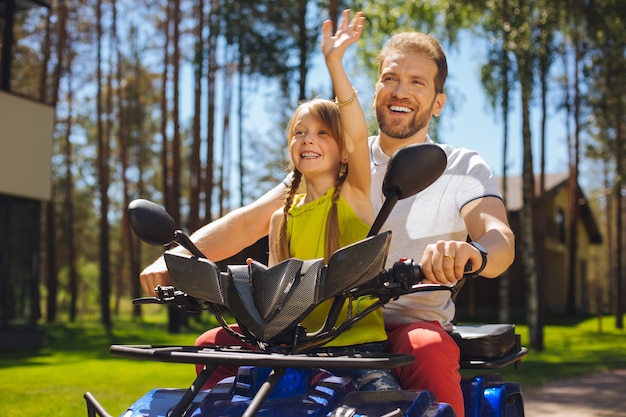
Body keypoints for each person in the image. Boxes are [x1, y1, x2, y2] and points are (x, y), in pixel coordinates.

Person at [139, 23, 515, 417]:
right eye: (390, 78)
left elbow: (498, 237)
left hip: (405, 321)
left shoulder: (460, 166)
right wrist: (172, 258)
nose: (401, 91)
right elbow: (250, 222)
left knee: (429, 349)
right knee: (211, 344)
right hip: (313, 319)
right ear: (375, 91)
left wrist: (472, 252)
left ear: (438, 102)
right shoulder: (333, 156)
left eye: (417, 82)